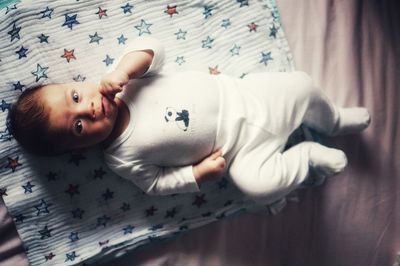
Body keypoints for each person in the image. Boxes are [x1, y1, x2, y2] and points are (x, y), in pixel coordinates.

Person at [8, 37, 371, 204]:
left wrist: (125, 68)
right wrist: (196, 176)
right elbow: (156, 184)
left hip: (248, 97)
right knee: (258, 187)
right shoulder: (120, 158)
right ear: (79, 149)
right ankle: (305, 157)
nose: (87, 109)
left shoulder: (123, 81)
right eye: (77, 127)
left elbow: (156, 50)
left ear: (77, 83)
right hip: (238, 150)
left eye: (75, 96)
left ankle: (333, 119)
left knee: (301, 85)